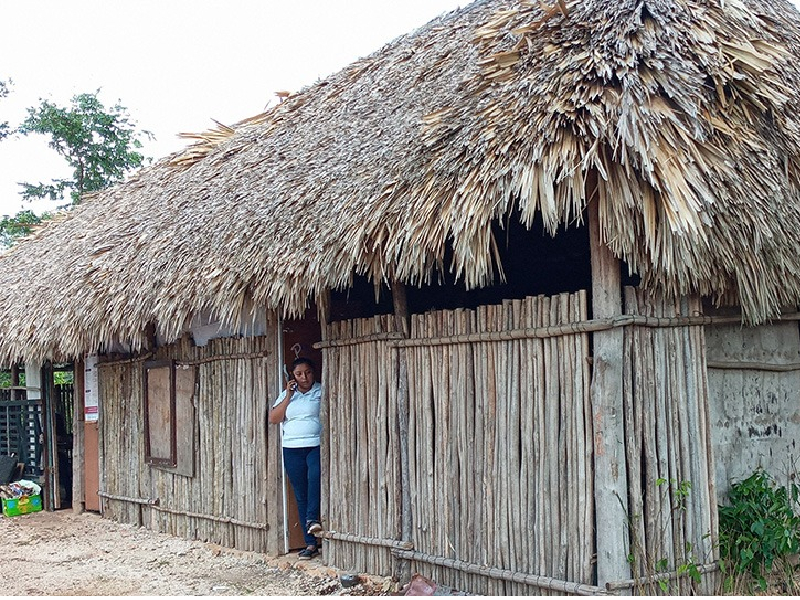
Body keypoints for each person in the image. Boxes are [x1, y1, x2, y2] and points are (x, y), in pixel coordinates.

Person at [268, 357, 323, 560]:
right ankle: (310, 544)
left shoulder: (320, 391)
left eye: (307, 372)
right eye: (299, 374)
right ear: (293, 376)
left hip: (315, 445)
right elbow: (274, 418)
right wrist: (289, 396)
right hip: (292, 447)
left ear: (313, 372)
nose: (304, 377)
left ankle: (311, 519)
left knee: (314, 478)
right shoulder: (287, 395)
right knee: (300, 493)